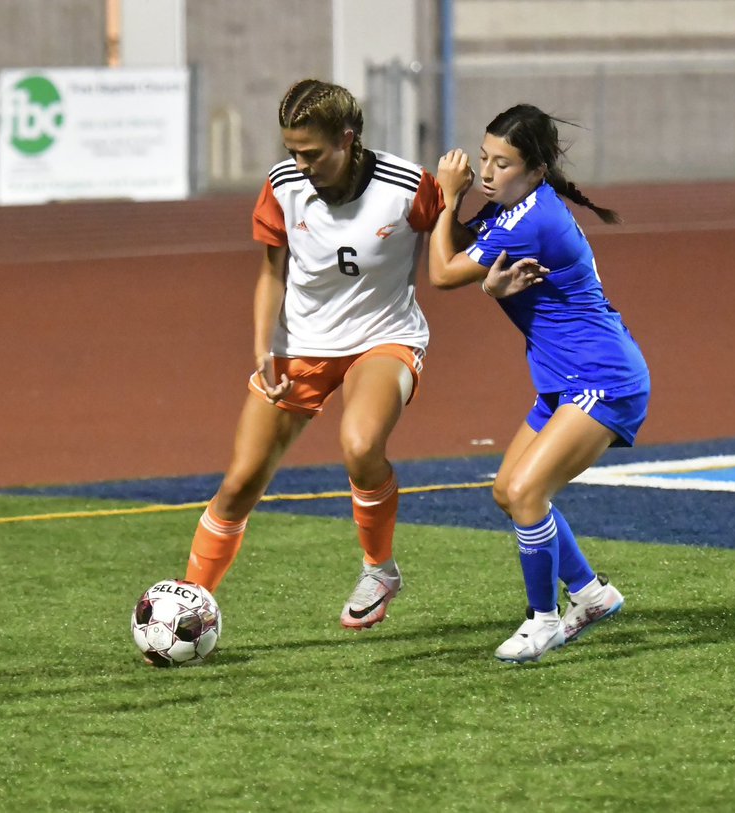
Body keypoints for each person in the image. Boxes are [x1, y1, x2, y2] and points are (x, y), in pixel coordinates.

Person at [183, 78, 445, 629]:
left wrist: (461, 200)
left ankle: (379, 568)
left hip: (384, 336)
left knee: (359, 443)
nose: (299, 164)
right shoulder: (282, 187)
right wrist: (264, 350)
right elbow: (271, 272)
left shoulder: (408, 187)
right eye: (290, 152)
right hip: (300, 345)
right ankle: (189, 603)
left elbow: (453, 245)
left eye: (311, 152)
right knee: (240, 483)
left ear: (347, 139)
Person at [428, 104, 650, 663]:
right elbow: (459, 250)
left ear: (535, 171)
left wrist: (447, 197)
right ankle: (592, 595)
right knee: (508, 492)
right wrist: (457, 218)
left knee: (528, 494)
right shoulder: (514, 209)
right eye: (483, 158)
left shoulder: (532, 219)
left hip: (602, 378)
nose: (486, 171)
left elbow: (441, 272)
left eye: (502, 164)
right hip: (564, 380)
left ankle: (543, 621)